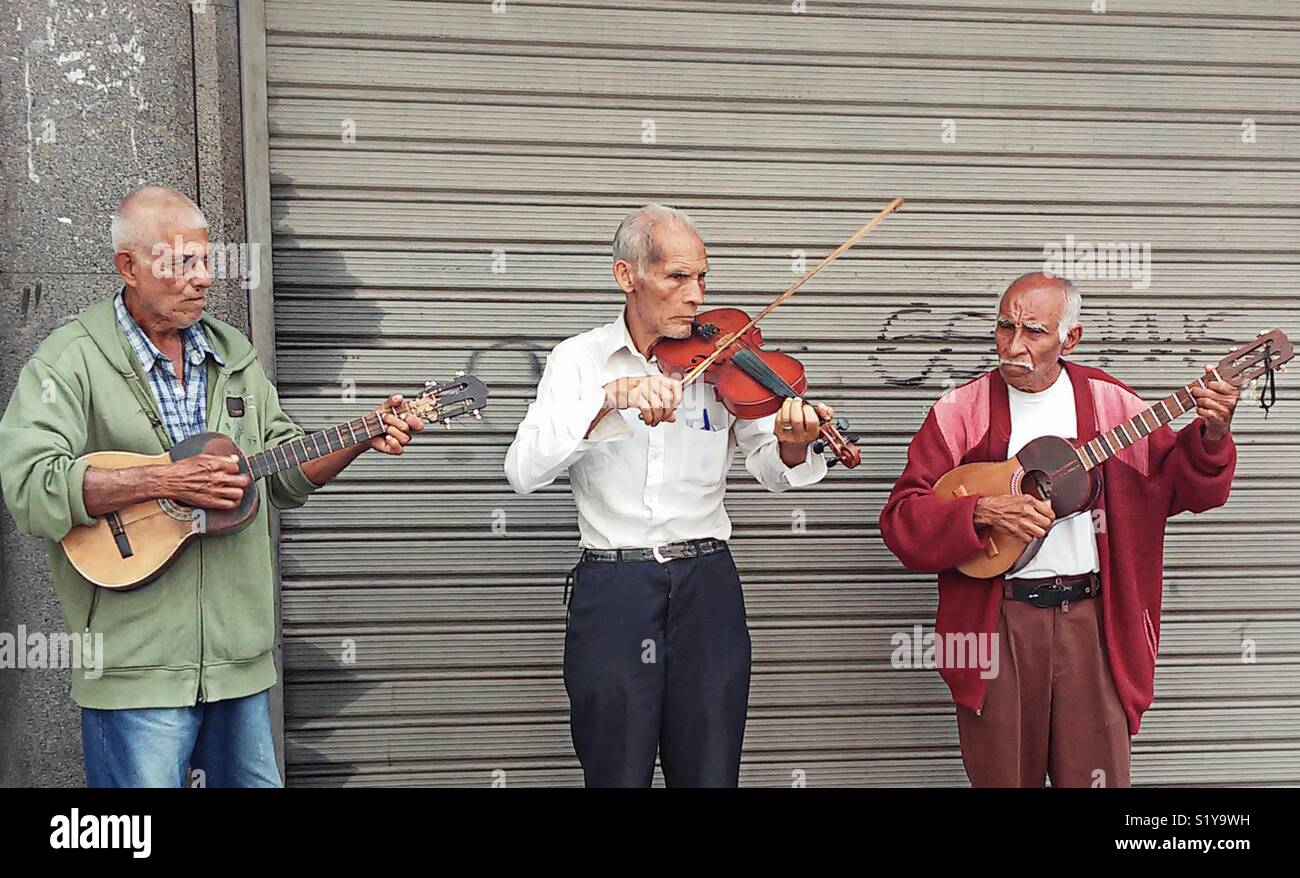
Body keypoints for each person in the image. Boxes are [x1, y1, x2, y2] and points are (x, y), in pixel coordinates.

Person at [0, 186, 423, 787]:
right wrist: (166, 478)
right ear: (129, 267)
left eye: (207, 261)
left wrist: (363, 434)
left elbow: (285, 475)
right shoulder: (68, 361)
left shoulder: (235, 357)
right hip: (134, 667)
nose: (203, 279)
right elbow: (30, 486)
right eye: (181, 263)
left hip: (238, 668)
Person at [505, 204, 834, 787]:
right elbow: (523, 471)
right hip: (615, 590)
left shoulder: (725, 360)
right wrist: (609, 399)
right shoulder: (578, 361)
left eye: (702, 277)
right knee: (616, 773)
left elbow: (774, 468)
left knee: (710, 773)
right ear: (626, 276)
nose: (695, 296)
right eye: (677, 277)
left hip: (707, 587)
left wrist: (790, 445)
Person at [879, 272, 1238, 787]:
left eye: (1034, 332)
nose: (1013, 345)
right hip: (995, 625)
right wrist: (979, 512)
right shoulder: (961, 411)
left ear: (1070, 338)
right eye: (1005, 327)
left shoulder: (1112, 405)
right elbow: (901, 521)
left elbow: (1191, 490)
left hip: (1091, 625)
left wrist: (1213, 432)